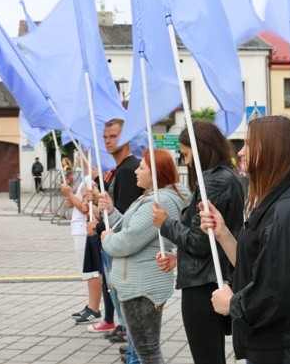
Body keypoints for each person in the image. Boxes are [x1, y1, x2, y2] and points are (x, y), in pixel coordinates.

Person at [200, 116, 290, 364]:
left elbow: (275, 291)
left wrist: (232, 304)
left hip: (282, 348)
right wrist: (222, 232)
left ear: (271, 150)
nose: (241, 152)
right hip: (271, 344)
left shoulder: (285, 210)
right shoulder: (276, 202)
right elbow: (257, 266)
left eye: (248, 144)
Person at [152, 120, 244, 364]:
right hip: (212, 276)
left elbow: (200, 242)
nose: (187, 161)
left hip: (204, 283)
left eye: (187, 154)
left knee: (207, 357)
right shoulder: (226, 176)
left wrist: (165, 224)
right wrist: (177, 257)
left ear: (200, 148)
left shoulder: (214, 181)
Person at [99, 149, 190, 364]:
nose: (136, 172)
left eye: (142, 168)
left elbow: (128, 241)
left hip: (142, 287)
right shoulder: (152, 197)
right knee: (144, 351)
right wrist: (112, 213)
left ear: (155, 173)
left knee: (147, 353)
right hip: (138, 284)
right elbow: (131, 227)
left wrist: (106, 239)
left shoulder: (157, 202)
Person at [82, 118, 144, 364]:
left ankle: (135, 356)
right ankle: (132, 352)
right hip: (116, 247)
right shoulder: (123, 169)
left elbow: (123, 218)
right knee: (124, 311)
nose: (108, 141)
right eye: (105, 137)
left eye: (113, 137)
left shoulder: (129, 170)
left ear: (126, 138)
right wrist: (98, 199)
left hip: (120, 251)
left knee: (125, 309)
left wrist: (96, 226)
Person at [61, 162, 110, 332]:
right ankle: (91, 305)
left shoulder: (92, 180)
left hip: (85, 229)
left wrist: (69, 194)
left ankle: (94, 308)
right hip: (80, 229)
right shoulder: (87, 178)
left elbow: (85, 207)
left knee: (92, 271)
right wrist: (71, 199)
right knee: (88, 271)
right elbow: (80, 204)